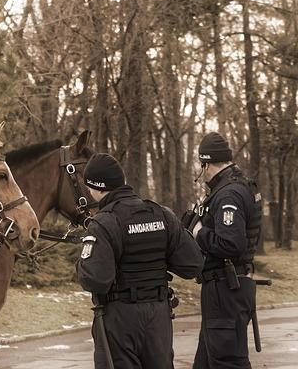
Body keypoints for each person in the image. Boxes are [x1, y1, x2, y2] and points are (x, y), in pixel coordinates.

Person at [76, 153, 203, 369]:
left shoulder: (104, 222)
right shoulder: (162, 214)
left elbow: (96, 279)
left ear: (98, 188)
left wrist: (82, 264)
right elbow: (193, 264)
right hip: (159, 318)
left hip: (120, 319)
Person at [191, 132, 262, 369]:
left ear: (207, 164)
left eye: (202, 167)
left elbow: (231, 244)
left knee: (227, 362)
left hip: (226, 288)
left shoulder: (229, 194)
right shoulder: (238, 186)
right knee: (207, 362)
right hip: (225, 287)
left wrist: (199, 232)